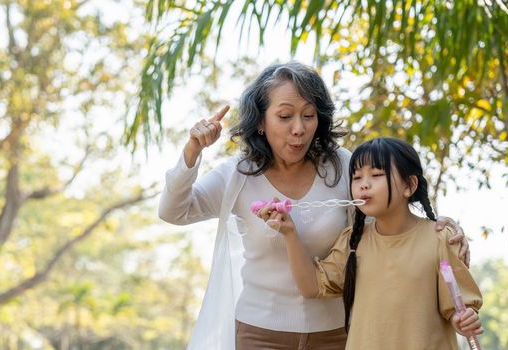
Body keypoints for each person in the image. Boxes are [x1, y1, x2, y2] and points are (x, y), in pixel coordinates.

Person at [158, 62, 469, 350]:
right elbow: (174, 211)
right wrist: (192, 151)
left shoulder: (343, 166)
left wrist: (437, 226)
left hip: (336, 332)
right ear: (261, 123)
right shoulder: (239, 174)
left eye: (309, 115)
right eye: (285, 116)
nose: (299, 128)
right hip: (260, 333)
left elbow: (386, 222)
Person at [256, 137, 483, 349]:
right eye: (356, 177)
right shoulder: (353, 241)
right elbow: (311, 286)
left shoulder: (440, 238)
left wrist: (463, 319)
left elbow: (458, 308)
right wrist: (289, 233)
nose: (364, 185)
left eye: (376, 175)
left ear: (410, 185)